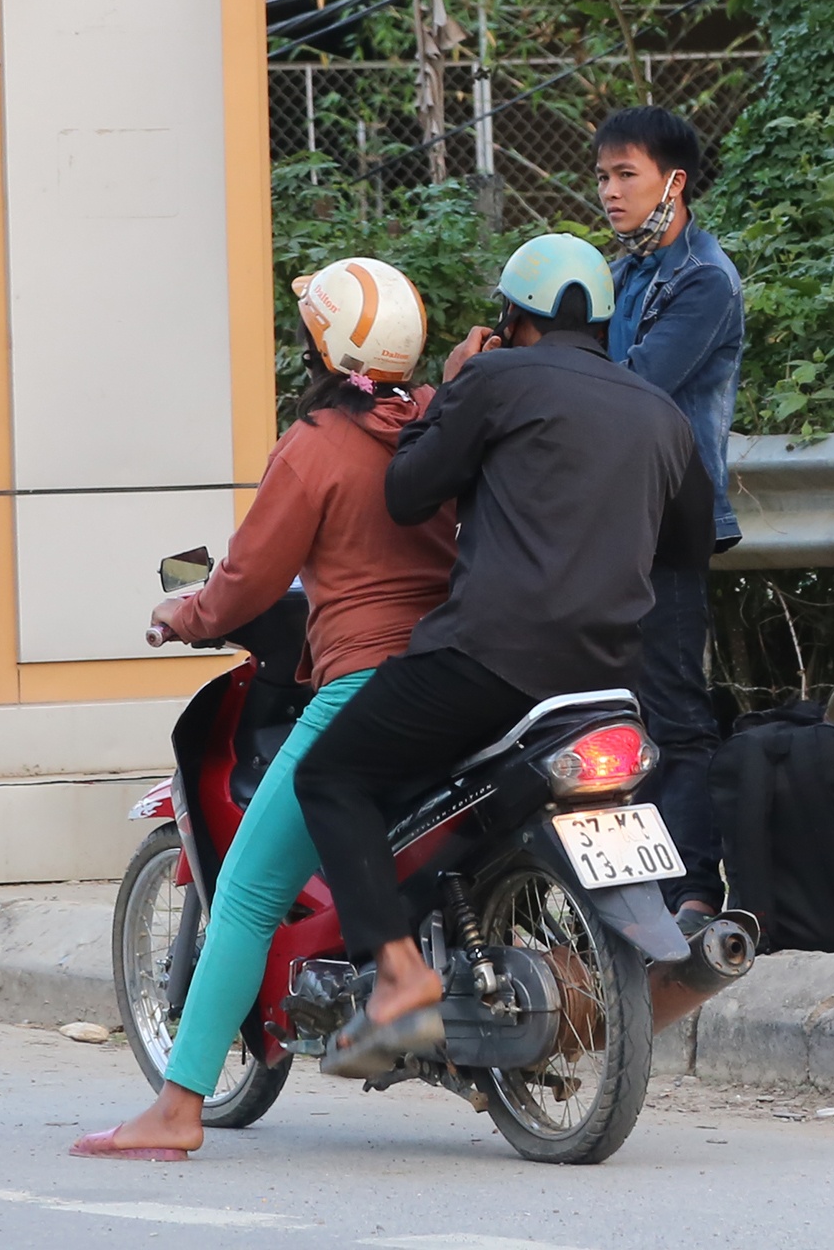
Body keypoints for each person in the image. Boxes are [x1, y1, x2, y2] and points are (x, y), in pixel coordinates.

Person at [293, 233, 712, 1073]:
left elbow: (409, 494)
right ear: (604, 322)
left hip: (488, 663)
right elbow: (690, 547)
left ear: (511, 320)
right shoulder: (659, 413)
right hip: (608, 686)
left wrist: (453, 390)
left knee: (330, 776)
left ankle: (400, 975)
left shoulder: (494, 378)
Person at [71, 259, 457, 1160]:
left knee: (244, 892)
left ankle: (176, 1109)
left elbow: (244, 581)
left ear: (322, 345)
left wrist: (185, 612)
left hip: (361, 683)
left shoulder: (317, 443)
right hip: (455, 676)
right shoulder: (439, 421)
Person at [595, 105, 744, 935]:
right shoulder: (625, 274)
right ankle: (629, 884)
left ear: (673, 182)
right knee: (608, 711)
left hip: (672, 518)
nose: (611, 193)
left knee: (675, 708)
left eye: (628, 175)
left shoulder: (703, 279)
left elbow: (633, 388)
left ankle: (694, 888)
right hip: (611, 517)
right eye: (605, 178)